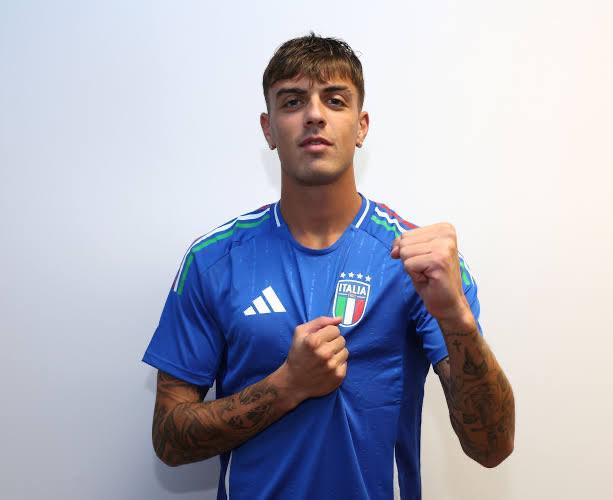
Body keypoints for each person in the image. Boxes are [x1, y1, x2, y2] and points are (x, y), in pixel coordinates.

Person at [142, 33, 514, 499]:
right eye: (292, 101)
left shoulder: (421, 262)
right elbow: (169, 440)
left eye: (335, 100)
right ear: (268, 129)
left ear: (361, 126)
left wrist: (455, 316)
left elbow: (492, 447)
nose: (314, 115)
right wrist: (286, 386)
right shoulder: (214, 260)